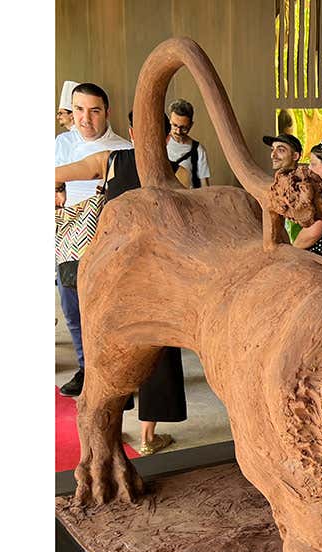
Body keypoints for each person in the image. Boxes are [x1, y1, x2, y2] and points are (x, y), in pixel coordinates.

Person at [55, 110, 187, 455]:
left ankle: (109, 429)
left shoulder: (110, 160)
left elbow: (55, 174)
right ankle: (147, 437)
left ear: (131, 132)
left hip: (114, 277)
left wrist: (59, 195)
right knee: (158, 350)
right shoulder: (179, 173)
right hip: (158, 275)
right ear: (167, 136)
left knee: (110, 349)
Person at [54, 82, 132, 397]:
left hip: (107, 241)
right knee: (72, 310)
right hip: (68, 237)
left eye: (94, 111)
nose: (86, 119)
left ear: (107, 113)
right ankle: (87, 370)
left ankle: (115, 378)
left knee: (107, 313)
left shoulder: (123, 149)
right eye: (79, 110)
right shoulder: (61, 143)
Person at [263, 132, 304, 241]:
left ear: (295, 156)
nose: (273, 155)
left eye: (280, 150)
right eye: (272, 150)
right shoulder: (278, 182)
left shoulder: (301, 185)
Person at [166, 99, 212, 187]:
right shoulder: (160, 143)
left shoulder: (198, 150)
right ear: (169, 120)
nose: (178, 131)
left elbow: (204, 186)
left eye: (183, 128)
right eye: (175, 125)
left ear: (191, 125)